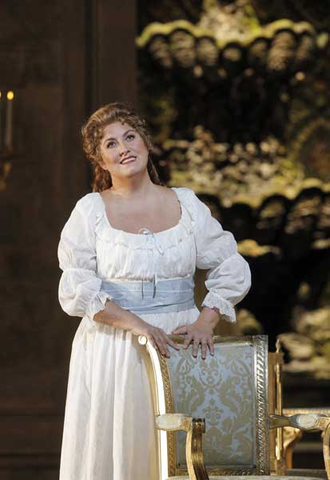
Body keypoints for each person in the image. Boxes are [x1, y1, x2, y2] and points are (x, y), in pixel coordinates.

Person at [57, 102, 251, 480]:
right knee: (124, 446)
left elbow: (231, 265)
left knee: (180, 453)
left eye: (130, 137)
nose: (123, 148)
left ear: (146, 143)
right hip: (114, 345)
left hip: (181, 342)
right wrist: (137, 326)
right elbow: (76, 285)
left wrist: (206, 321)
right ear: (100, 159)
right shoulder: (90, 212)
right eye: (110, 144)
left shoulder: (186, 203)